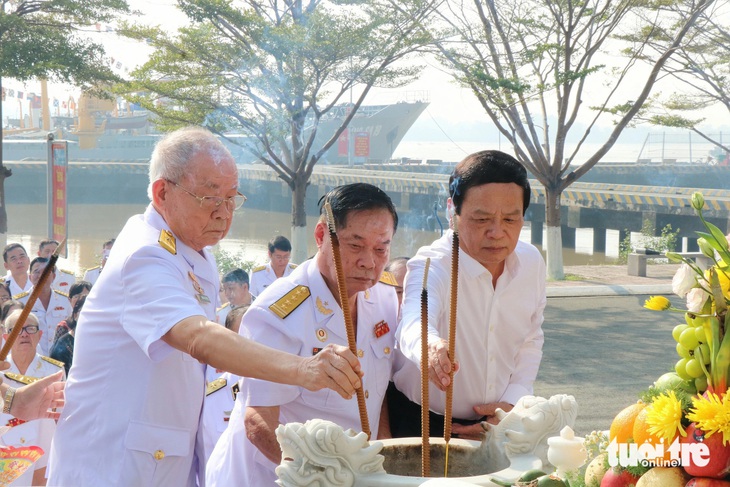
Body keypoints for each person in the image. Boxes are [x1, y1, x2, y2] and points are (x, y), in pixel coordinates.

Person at [47, 126, 364, 487]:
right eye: (209, 199)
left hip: (165, 461)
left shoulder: (196, 252)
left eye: (232, 199)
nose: (224, 213)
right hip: (111, 465)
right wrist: (304, 369)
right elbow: (198, 336)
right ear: (163, 192)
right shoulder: (145, 253)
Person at [206, 183, 400, 486]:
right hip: (281, 475)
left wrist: (384, 456)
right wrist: (314, 476)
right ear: (322, 236)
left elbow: (376, 391)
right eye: (355, 245)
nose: (369, 262)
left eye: (381, 248)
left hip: (354, 474)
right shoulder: (279, 312)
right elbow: (258, 421)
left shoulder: (385, 297)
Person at [391, 150, 546, 440]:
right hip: (423, 423)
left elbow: (530, 339)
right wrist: (430, 349)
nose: (497, 232)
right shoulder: (432, 264)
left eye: (511, 220)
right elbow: (413, 321)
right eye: (481, 219)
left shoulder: (532, 263)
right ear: (453, 212)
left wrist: (513, 401)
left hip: (501, 420)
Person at [1, 310, 65, 486]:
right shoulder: (0, 369)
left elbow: (60, 417)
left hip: (43, 447)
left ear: (40, 335)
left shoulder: (54, 371)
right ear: (6, 337)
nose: (24, 334)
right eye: (17, 330)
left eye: (30, 328)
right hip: (4, 450)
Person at [17, 257, 72, 356]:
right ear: (30, 277)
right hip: (32, 358)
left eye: (46, 272)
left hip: (60, 358)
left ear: (54, 276)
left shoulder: (65, 300)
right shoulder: (19, 302)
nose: (41, 276)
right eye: (36, 272)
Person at [50, 296, 86, 374]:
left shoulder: (104, 340)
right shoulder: (63, 346)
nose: (90, 317)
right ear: (75, 315)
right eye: (85, 313)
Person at [52, 281, 91, 345]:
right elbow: (56, 353)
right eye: (77, 296)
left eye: (85, 296)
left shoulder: (98, 324)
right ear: (70, 300)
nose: (81, 299)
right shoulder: (63, 327)